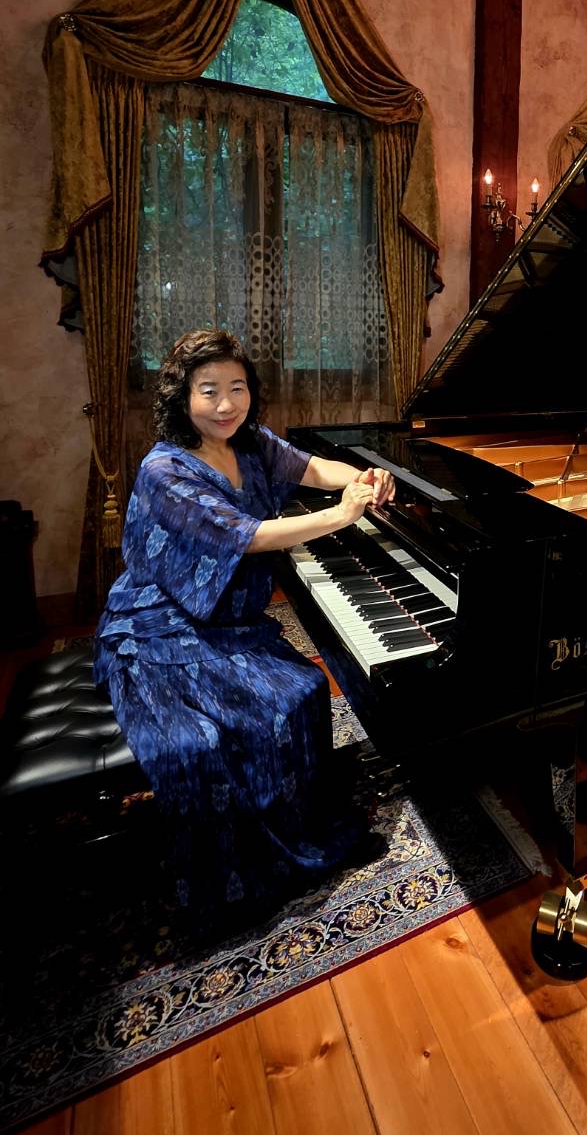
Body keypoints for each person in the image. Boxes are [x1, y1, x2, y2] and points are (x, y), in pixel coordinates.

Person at [94, 328, 396, 928]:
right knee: (208, 738)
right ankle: (238, 872)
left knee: (305, 690)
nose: (226, 404)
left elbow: (313, 467)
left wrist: (360, 479)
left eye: (237, 388)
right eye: (209, 391)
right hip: (163, 622)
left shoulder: (251, 442)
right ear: (183, 396)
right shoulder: (164, 469)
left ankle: (301, 828)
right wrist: (341, 517)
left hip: (228, 620)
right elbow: (248, 536)